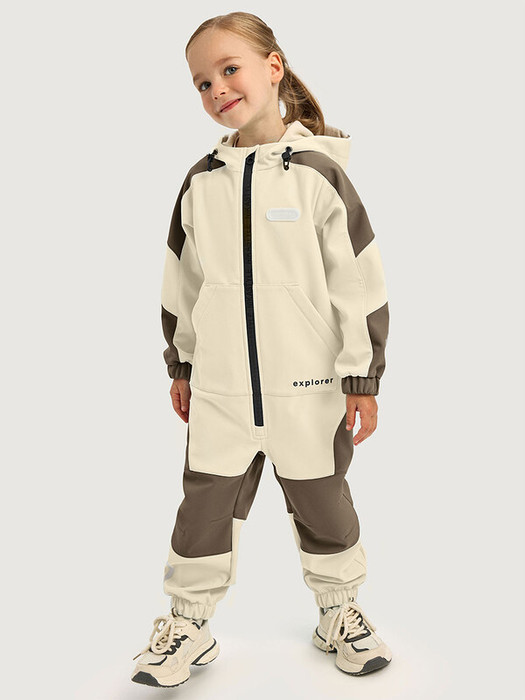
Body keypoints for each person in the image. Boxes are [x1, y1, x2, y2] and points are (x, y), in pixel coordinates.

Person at [131, 11, 392, 689]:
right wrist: (182, 364)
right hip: (220, 392)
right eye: (201, 82)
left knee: (324, 503)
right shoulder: (201, 183)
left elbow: (356, 282)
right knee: (202, 510)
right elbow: (181, 283)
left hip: (308, 390)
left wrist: (361, 377)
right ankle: (188, 624)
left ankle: (338, 612)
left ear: (272, 68)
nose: (216, 88)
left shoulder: (316, 176)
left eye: (229, 69)